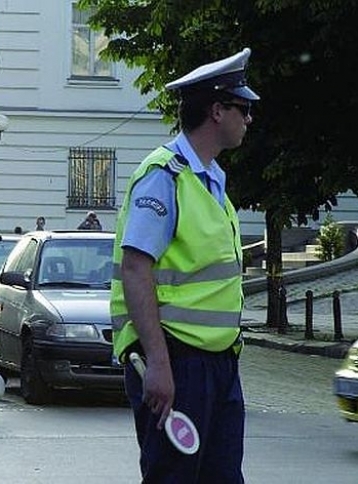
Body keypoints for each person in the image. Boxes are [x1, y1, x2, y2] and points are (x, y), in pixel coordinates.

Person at [110, 48, 258, 482]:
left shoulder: (210, 179)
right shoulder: (164, 176)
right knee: (173, 476)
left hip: (218, 362)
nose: (249, 119)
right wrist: (158, 363)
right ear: (217, 110)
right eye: (243, 108)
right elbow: (136, 270)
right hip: (177, 359)